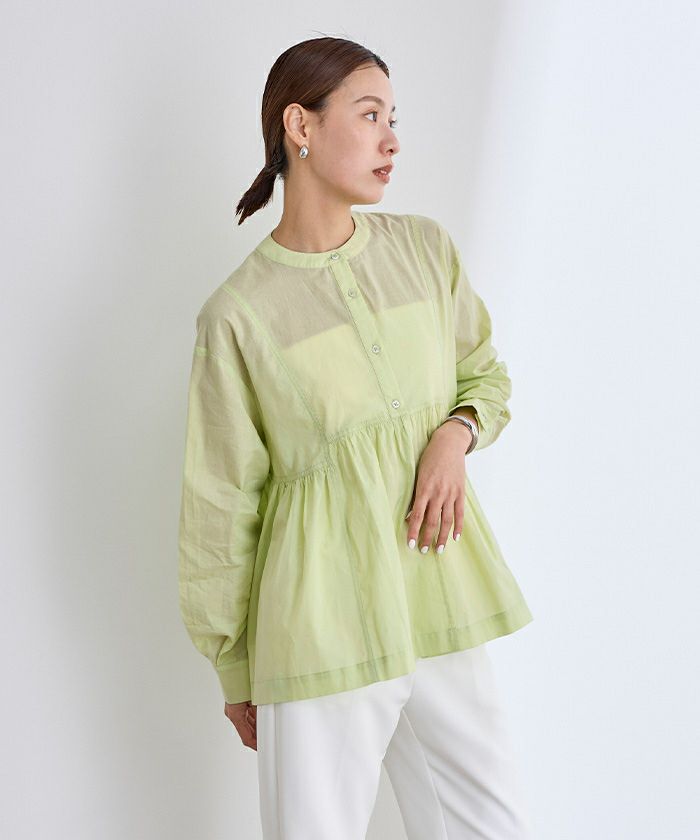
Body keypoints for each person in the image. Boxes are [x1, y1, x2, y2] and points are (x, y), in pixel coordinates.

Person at [178, 35, 535, 840]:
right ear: (299, 125)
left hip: (435, 591)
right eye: (370, 115)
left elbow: (485, 376)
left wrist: (454, 435)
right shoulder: (238, 316)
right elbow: (219, 503)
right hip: (318, 622)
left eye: (394, 119)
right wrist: (234, 664)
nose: (392, 140)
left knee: (492, 825)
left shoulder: (424, 251)